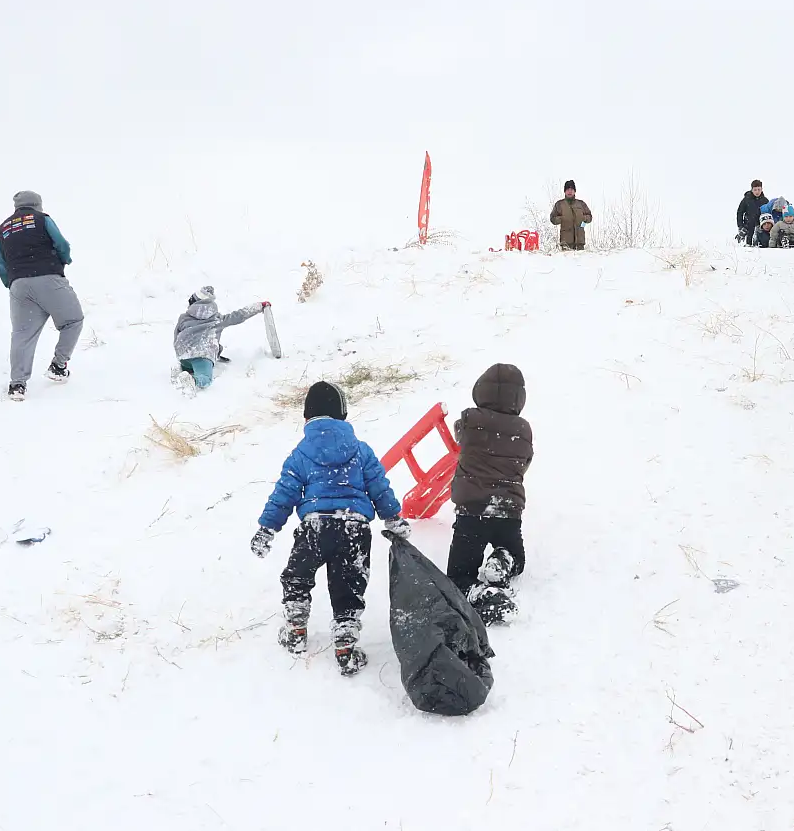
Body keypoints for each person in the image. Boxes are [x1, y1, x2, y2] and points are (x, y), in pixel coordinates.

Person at [249, 381, 410, 676]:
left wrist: (267, 528)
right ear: (342, 415)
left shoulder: (301, 454)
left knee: (297, 576)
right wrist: (393, 518)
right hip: (354, 528)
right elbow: (379, 487)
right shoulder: (361, 451)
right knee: (348, 586)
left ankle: (296, 629)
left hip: (316, 527)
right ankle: (345, 646)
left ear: (307, 417)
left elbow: (284, 493)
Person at [445, 364, 534, 623]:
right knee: (517, 558)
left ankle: (479, 594)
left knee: (459, 574)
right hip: (508, 510)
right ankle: (502, 561)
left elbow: (458, 434)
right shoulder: (524, 429)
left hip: (472, 512)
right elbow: (525, 462)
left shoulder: (470, 420)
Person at [0, 191, 84, 401]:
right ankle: (58, 365)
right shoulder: (42, 219)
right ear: (37, 205)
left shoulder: (3, 229)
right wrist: (63, 261)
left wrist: (13, 282)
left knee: (22, 335)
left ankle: (17, 385)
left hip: (18, 285)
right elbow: (62, 244)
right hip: (48, 277)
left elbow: (1, 263)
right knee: (73, 320)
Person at [172, 286, 266, 391]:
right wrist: (259, 306)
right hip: (203, 355)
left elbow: (176, 336)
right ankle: (192, 381)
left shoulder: (183, 317)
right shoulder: (217, 319)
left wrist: (179, 352)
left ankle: (181, 369)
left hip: (184, 354)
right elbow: (239, 315)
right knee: (205, 378)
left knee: (190, 365)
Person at [550, 180, 593, 250]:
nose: (569, 191)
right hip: (566, 243)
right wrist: (562, 219)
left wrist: (583, 218)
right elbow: (552, 219)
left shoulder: (581, 204)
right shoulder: (559, 204)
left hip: (580, 243)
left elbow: (590, 217)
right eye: (567, 189)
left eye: (571, 189)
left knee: (581, 260)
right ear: (564, 191)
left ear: (574, 191)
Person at [735, 180, 770, 245]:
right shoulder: (746, 199)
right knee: (749, 245)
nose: (757, 192)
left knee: (759, 245)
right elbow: (740, 212)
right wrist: (740, 226)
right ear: (752, 190)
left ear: (762, 189)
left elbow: (768, 214)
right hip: (748, 225)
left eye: (759, 189)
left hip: (760, 226)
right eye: (755, 190)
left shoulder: (765, 201)